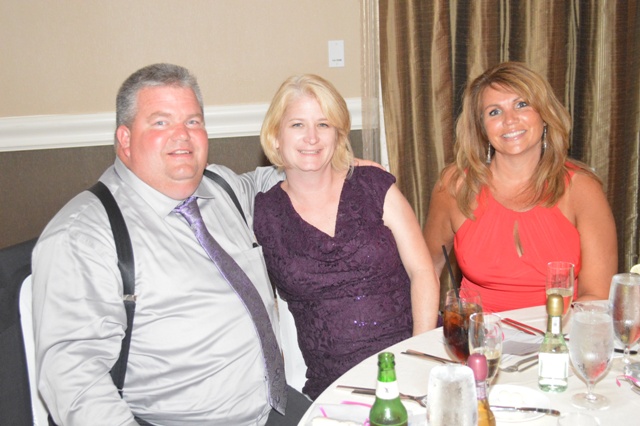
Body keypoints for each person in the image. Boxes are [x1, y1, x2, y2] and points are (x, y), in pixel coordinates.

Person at [31, 63, 311, 426]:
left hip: (275, 408)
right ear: (125, 139)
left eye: (192, 121)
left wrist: (341, 167)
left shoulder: (222, 188)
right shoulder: (84, 235)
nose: (182, 135)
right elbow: (75, 383)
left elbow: (279, 181)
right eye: (161, 122)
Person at [253, 74, 440, 399]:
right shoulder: (263, 213)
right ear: (275, 135)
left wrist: (418, 359)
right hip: (334, 388)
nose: (312, 137)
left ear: (338, 134)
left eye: (323, 124)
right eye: (297, 125)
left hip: (413, 364)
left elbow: (423, 271)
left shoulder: (373, 185)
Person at [424, 61, 617, 313]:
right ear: (481, 128)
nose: (510, 120)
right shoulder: (455, 186)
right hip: (479, 334)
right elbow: (425, 269)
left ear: (544, 115)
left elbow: (597, 296)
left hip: (560, 332)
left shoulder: (582, 189)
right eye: (494, 112)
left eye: (522, 105)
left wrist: (551, 335)